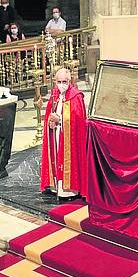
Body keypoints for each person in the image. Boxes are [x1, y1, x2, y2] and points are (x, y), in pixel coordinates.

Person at [40, 68, 87, 198]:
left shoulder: (76, 96)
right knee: (56, 156)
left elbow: (78, 120)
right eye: (59, 82)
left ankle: (69, 190)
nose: (62, 85)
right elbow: (49, 114)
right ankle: (55, 186)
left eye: (64, 81)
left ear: (70, 80)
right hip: (56, 133)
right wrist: (51, 121)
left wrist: (60, 119)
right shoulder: (55, 95)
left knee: (67, 159)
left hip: (69, 139)